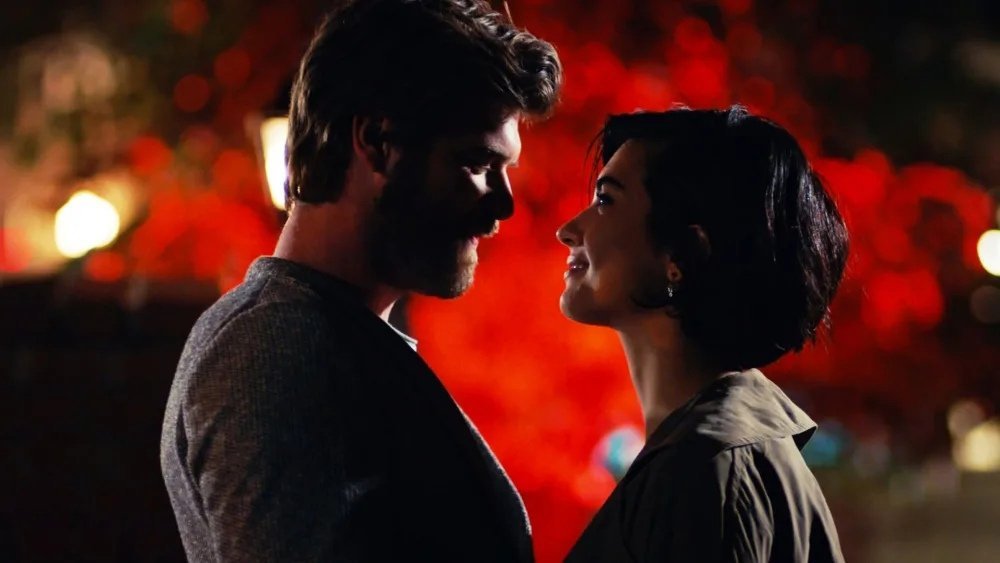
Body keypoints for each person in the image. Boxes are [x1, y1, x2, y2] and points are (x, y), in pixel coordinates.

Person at [159, 1, 561, 561]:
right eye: (475, 163)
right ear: (376, 142)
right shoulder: (277, 348)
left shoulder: (319, 338)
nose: (504, 204)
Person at [557, 106, 848, 562]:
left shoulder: (705, 474)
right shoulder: (717, 455)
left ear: (683, 253)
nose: (568, 230)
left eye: (606, 200)